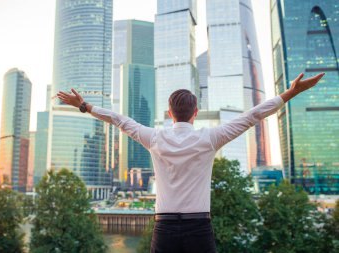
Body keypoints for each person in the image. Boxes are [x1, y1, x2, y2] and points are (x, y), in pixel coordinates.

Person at [57, 72, 325, 253]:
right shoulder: (209, 139)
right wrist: (290, 93)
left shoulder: (155, 138)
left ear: (169, 113)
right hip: (199, 228)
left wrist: (84, 106)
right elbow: (253, 116)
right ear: (195, 113)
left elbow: (118, 119)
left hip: (164, 229)